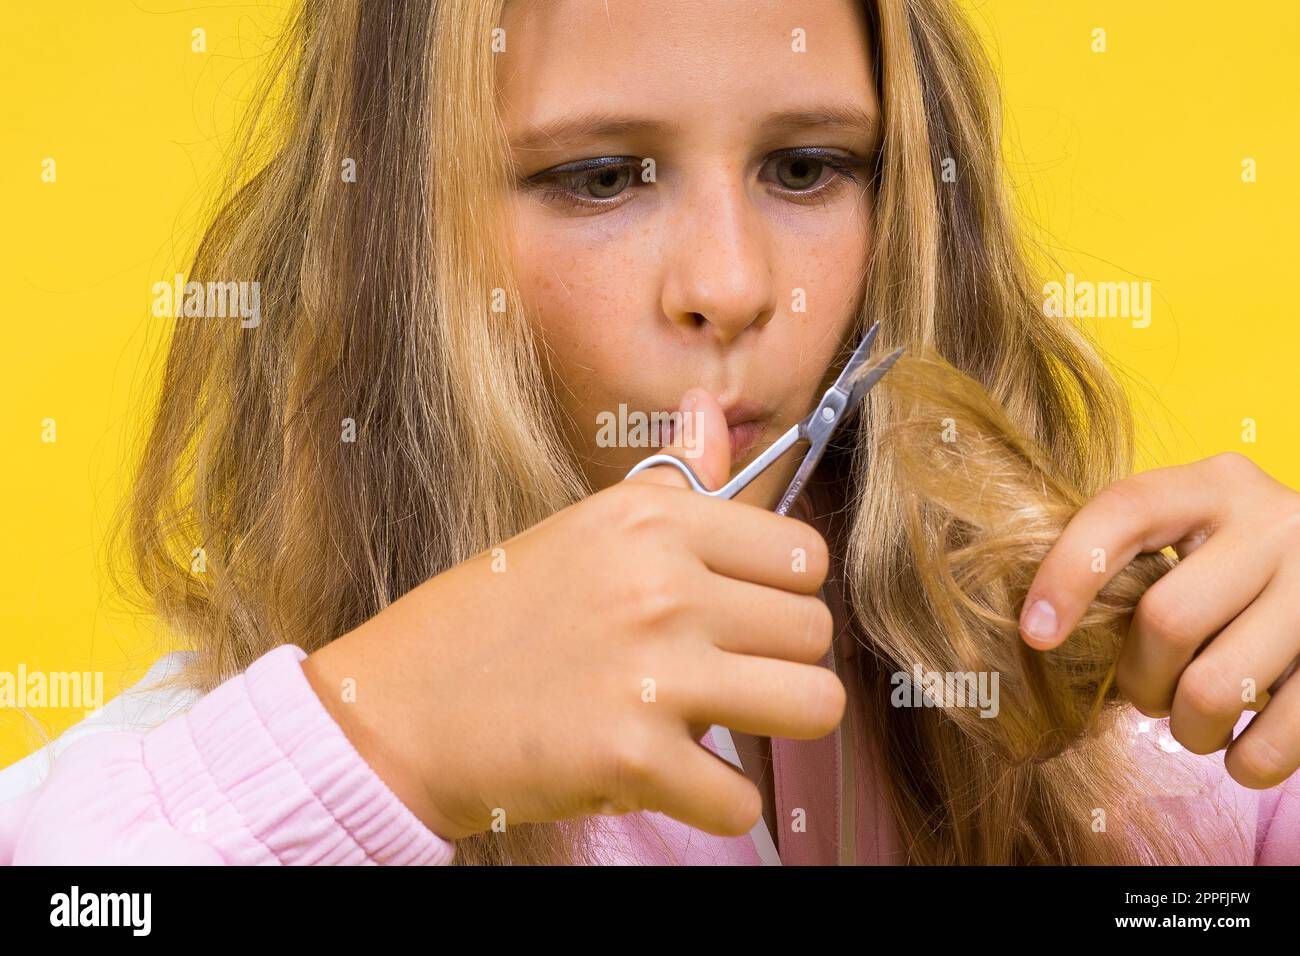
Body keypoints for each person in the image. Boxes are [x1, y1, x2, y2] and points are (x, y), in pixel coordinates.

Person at [3, 0, 1297, 865]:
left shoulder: (1145, 761)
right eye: (601, 177)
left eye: (807, 167)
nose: (731, 285)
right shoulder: (178, 792)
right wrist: (371, 744)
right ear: (397, 247)